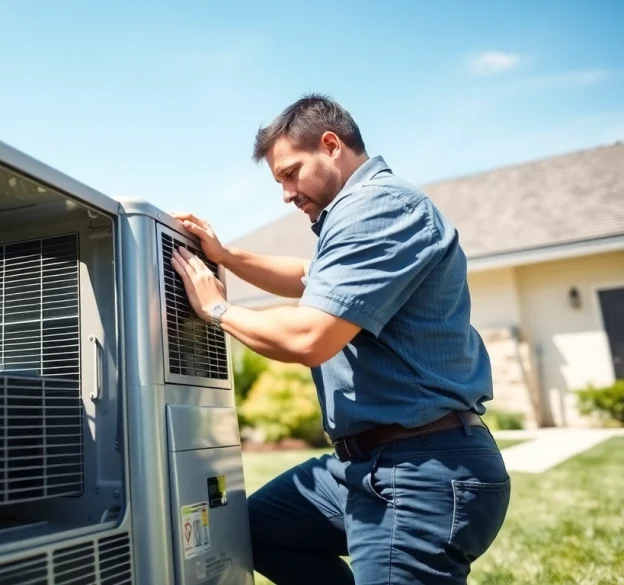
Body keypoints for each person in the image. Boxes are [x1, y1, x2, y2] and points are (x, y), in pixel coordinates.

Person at [168, 94, 511, 585]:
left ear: (330, 145)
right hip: (365, 466)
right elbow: (307, 276)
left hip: (420, 469)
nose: (285, 193)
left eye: (290, 173)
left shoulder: (380, 208)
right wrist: (228, 255)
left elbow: (310, 337)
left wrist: (218, 309)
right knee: (256, 530)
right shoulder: (355, 216)